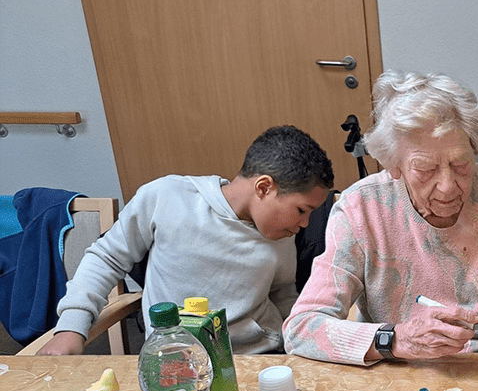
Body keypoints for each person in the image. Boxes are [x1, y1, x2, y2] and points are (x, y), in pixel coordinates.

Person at [283, 70, 478, 374]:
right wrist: (396, 339)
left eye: (461, 164)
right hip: (399, 376)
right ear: (394, 166)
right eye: (425, 168)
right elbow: (301, 328)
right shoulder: (360, 209)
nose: (448, 186)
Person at [38, 125, 334, 356]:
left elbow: (283, 293)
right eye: (301, 210)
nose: (304, 224)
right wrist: (71, 328)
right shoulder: (167, 197)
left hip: (259, 359)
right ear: (264, 187)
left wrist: (301, 342)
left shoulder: (279, 232)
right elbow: (106, 258)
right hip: (176, 362)